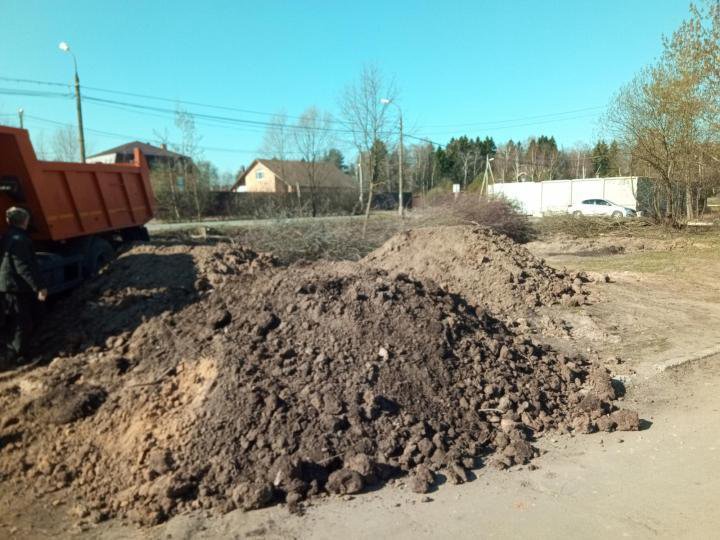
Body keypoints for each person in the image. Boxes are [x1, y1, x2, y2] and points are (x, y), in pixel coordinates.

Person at [0, 207, 47, 365]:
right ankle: (20, 356)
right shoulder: (20, 240)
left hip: (7, 284)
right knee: (22, 322)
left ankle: (12, 351)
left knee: (13, 318)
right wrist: (39, 287)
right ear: (25, 221)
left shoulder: (6, 236)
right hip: (15, 286)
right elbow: (23, 267)